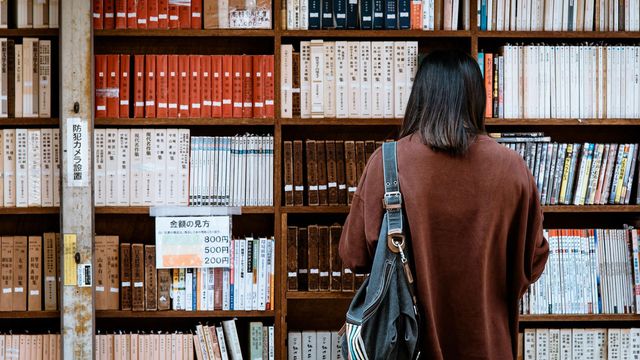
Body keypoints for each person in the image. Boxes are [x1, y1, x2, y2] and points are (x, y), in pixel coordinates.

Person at [338, 49, 549, 359]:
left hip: (408, 348)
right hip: (491, 347)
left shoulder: (388, 163)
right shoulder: (513, 168)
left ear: (420, 98)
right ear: (478, 99)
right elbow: (534, 261)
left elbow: (354, 255)